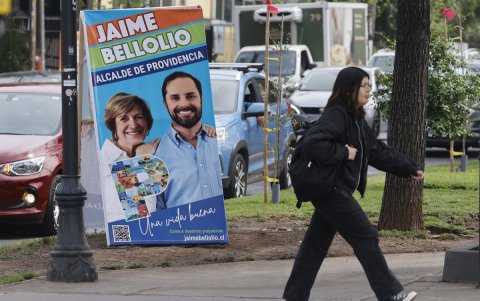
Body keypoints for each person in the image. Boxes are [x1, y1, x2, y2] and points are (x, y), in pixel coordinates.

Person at [283, 67, 424, 301]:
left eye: (370, 86)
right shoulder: (337, 116)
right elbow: (312, 143)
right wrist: (343, 152)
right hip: (331, 191)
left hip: (333, 190)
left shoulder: (356, 119)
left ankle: (294, 297)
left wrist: (408, 168)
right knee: (366, 236)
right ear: (350, 89)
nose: (369, 90)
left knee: (314, 246)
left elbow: (377, 151)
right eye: (364, 86)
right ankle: (391, 294)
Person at [154, 71, 223, 208]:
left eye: (190, 96)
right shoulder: (154, 155)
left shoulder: (219, 141)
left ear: (201, 99)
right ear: (165, 103)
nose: (184, 104)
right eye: (175, 98)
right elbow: (152, 215)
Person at [101, 93, 161, 222]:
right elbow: (139, 215)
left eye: (138, 117)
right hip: (127, 238)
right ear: (114, 126)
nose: (133, 124)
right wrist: (142, 160)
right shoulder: (106, 160)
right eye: (124, 118)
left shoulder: (153, 150)